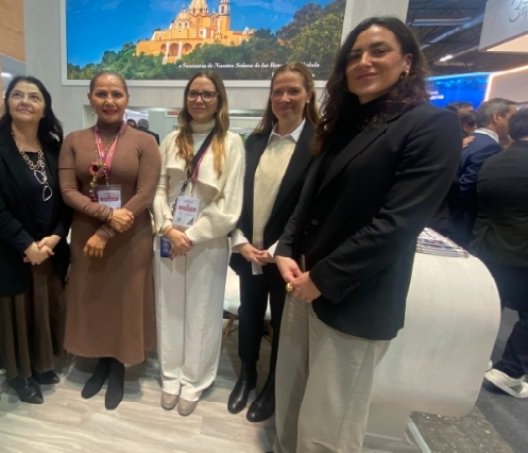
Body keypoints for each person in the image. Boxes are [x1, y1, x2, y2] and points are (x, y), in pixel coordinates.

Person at [273, 17, 459, 452]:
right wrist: (286, 248)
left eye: (378, 51)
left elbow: (397, 225)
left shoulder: (431, 125)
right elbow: (307, 199)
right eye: (354, 55)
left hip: (354, 297)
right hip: (301, 283)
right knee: (291, 401)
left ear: (407, 61)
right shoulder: (342, 125)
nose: (364, 62)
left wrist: (323, 278)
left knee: (330, 424)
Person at [59, 71, 160, 410]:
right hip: (86, 234)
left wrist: (108, 229)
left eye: (116, 94)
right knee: (95, 298)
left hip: (131, 236)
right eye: (101, 93)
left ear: (127, 98)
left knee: (126, 300)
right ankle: (100, 361)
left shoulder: (145, 142)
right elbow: (67, 190)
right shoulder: (73, 140)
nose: (109, 100)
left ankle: (118, 365)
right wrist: (105, 216)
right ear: (90, 97)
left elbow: (146, 193)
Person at [0, 76, 70, 404]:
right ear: (8, 103)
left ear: (45, 109)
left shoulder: (54, 147)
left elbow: (68, 198)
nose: (25, 101)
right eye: (18, 95)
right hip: (8, 249)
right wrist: (26, 245)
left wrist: (56, 237)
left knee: (42, 308)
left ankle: (41, 365)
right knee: (13, 316)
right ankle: (18, 376)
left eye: (34, 97)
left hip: (48, 249)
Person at [228, 63, 318, 422]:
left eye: (293, 90)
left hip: (289, 260)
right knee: (249, 314)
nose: (285, 98)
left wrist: (280, 248)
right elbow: (235, 197)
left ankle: (273, 387)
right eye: (278, 91)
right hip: (249, 253)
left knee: (284, 324)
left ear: (308, 94)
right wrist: (240, 241)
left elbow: (312, 207)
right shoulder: (254, 142)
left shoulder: (319, 145)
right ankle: (247, 375)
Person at [153, 71, 245, 416]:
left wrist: (189, 235)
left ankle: (194, 379)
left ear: (219, 100)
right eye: (194, 93)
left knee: (203, 311)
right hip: (168, 238)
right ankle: (170, 375)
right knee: (169, 308)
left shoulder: (232, 143)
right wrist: (167, 227)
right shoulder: (171, 139)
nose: (199, 100)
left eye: (208, 94)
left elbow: (230, 205)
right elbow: (159, 189)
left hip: (206, 242)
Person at [472, 109, 528, 398]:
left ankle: (474, 358)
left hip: (490, 247)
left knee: (492, 307)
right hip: (522, 254)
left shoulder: (495, 160)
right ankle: (508, 372)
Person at [451, 98, 516, 247]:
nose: (515, 122)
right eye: (512, 117)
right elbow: (467, 189)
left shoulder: (468, 141)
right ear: (497, 117)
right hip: (464, 224)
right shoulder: (489, 147)